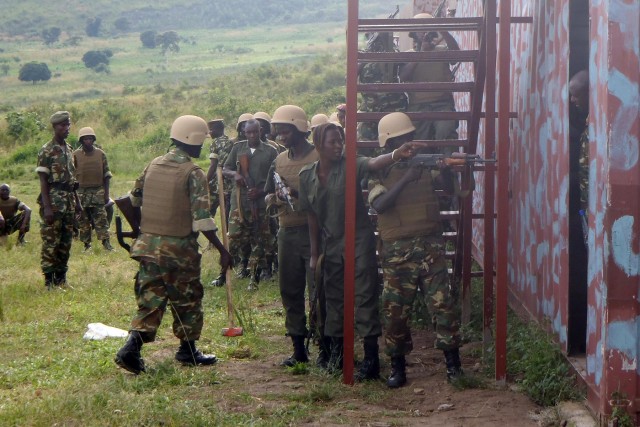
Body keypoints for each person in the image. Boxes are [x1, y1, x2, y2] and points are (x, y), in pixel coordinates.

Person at [298, 122, 416, 381]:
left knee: (364, 294)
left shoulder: (351, 165)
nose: (339, 146)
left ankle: (371, 359)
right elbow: (311, 216)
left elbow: (374, 163)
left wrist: (397, 154)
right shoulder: (306, 175)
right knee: (333, 296)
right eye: (333, 142)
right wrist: (314, 253)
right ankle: (338, 355)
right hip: (330, 244)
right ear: (319, 145)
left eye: (341, 140)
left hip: (358, 240)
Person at [115, 115, 232, 375]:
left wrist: (141, 230)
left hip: (148, 247)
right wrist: (223, 251)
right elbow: (202, 220)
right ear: (192, 140)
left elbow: (131, 199)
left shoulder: (153, 165)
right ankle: (188, 351)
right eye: (201, 142)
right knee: (188, 299)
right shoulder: (193, 173)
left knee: (150, 299)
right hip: (178, 250)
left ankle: (131, 348)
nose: (202, 147)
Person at [369, 112, 463, 387]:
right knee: (395, 313)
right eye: (401, 140)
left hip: (430, 248)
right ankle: (398, 367)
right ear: (388, 144)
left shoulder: (423, 166)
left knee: (443, 306)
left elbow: (446, 190)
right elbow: (380, 205)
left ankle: (453, 364)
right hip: (398, 254)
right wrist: (406, 178)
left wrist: (444, 169)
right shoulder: (378, 170)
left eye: (409, 137)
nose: (408, 143)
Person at [264, 105, 323, 367]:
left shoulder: (319, 157)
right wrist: (275, 198)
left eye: (285, 129)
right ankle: (298, 348)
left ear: (300, 128)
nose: (280, 134)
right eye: (278, 130)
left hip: (316, 234)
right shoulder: (279, 161)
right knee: (290, 290)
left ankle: (325, 347)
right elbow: (266, 195)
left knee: (319, 290)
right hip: (287, 231)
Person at [223, 119, 278, 290]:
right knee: (235, 237)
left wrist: (261, 191)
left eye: (255, 132)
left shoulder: (270, 151)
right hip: (239, 201)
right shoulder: (238, 148)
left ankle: (255, 276)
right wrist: (235, 175)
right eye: (249, 132)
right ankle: (228, 270)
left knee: (259, 239)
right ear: (244, 132)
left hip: (261, 203)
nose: (252, 135)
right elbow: (225, 168)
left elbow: (277, 177)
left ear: (261, 131)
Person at [36, 111, 82, 288]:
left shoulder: (69, 149)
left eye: (68, 124)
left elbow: (72, 180)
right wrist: (47, 207)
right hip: (54, 200)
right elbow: (43, 181)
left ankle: (61, 279)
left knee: (65, 240)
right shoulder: (47, 150)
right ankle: (49, 281)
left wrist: (77, 203)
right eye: (62, 125)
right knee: (51, 241)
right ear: (54, 127)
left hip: (69, 199)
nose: (66, 128)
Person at [72, 127, 113, 251]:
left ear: (94, 139)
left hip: (97, 191)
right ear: (81, 140)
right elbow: (72, 176)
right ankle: (86, 245)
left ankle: (106, 244)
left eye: (90, 138)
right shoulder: (75, 155)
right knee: (83, 221)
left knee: (101, 219)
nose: (88, 141)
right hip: (81, 193)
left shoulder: (101, 154)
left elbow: (106, 175)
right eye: (85, 139)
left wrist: (106, 194)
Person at [254, 111, 283, 281]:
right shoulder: (243, 147)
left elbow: (276, 173)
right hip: (254, 197)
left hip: (269, 195)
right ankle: (262, 267)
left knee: (272, 232)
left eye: (262, 125)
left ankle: (274, 264)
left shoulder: (273, 148)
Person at [207, 119, 235, 287]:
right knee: (228, 217)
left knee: (208, 213)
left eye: (210, 130)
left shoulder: (216, 143)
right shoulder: (231, 142)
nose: (209, 134)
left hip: (219, 184)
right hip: (230, 185)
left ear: (217, 130)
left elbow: (213, 165)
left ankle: (214, 241)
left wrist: (204, 181)